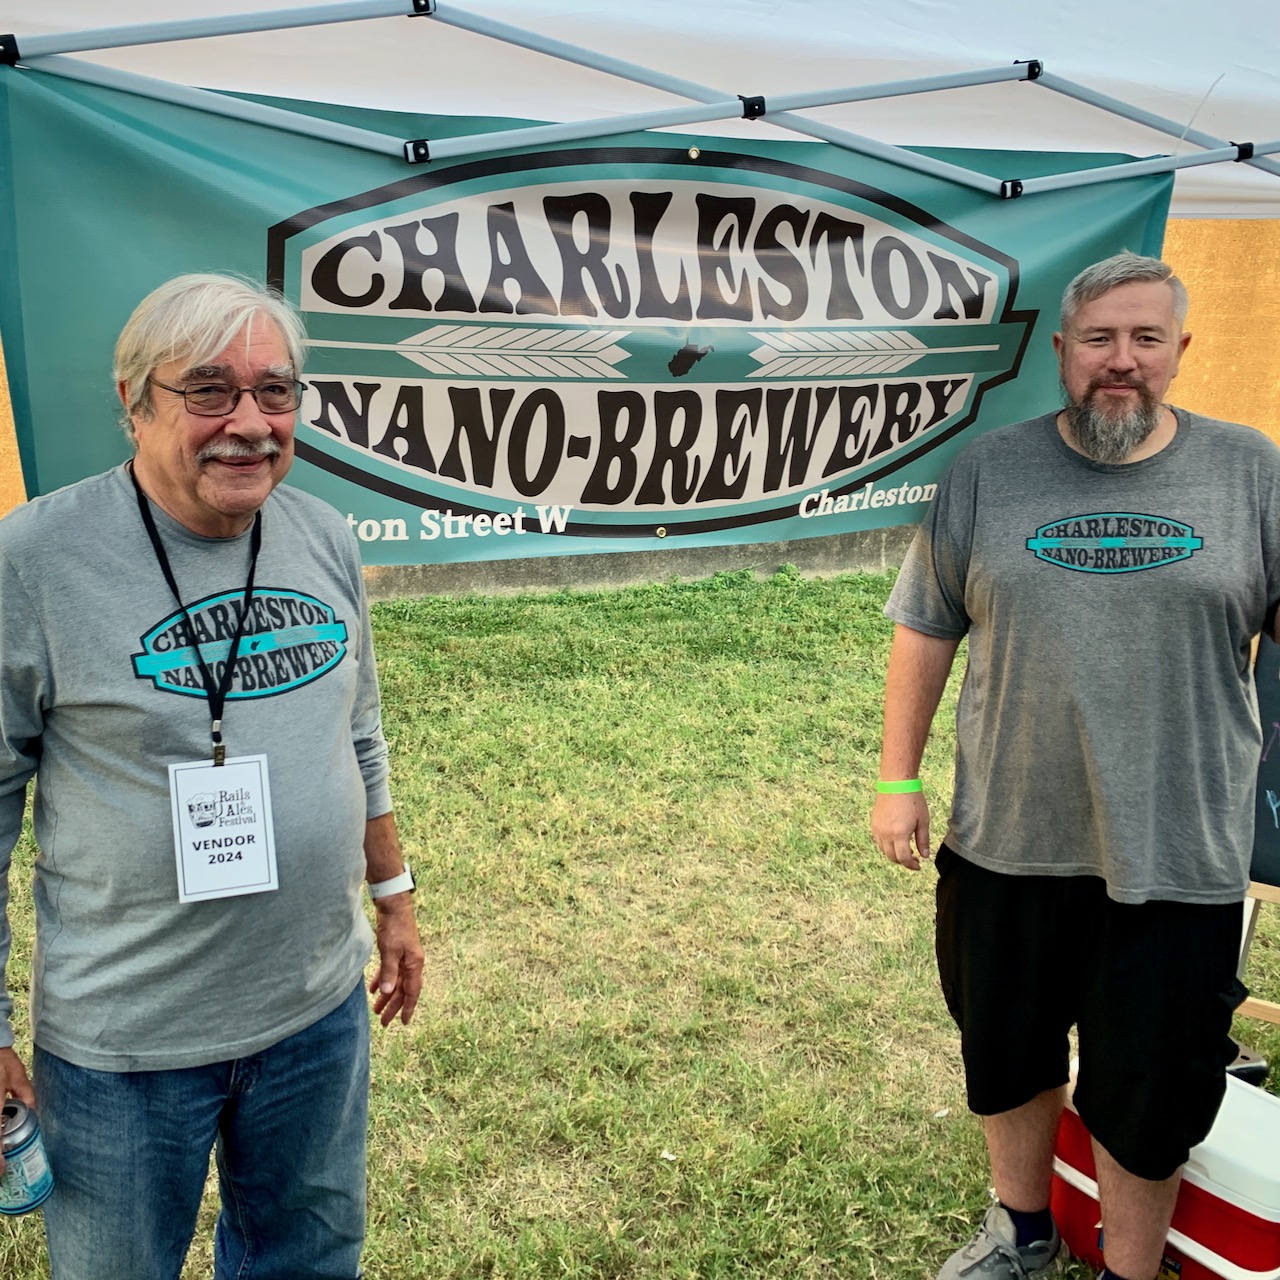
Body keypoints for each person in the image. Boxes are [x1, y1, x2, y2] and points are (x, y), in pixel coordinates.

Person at [0, 272, 425, 1279]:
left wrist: (395, 898)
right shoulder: (36, 560)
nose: (249, 422)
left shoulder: (321, 533)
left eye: (275, 391)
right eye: (209, 390)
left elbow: (356, 732)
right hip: (125, 1046)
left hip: (315, 1010)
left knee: (307, 1261)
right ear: (135, 401)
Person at [871, 252, 1280, 1280]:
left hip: (1177, 847)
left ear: (1178, 351)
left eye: (1144, 338)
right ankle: (1020, 1230)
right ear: (1059, 351)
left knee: (1149, 1085)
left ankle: (1126, 1271)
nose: (1119, 360)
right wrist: (895, 777)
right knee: (1002, 1050)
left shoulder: (1248, 469)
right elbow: (924, 626)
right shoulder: (985, 470)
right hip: (1005, 832)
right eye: (1097, 338)